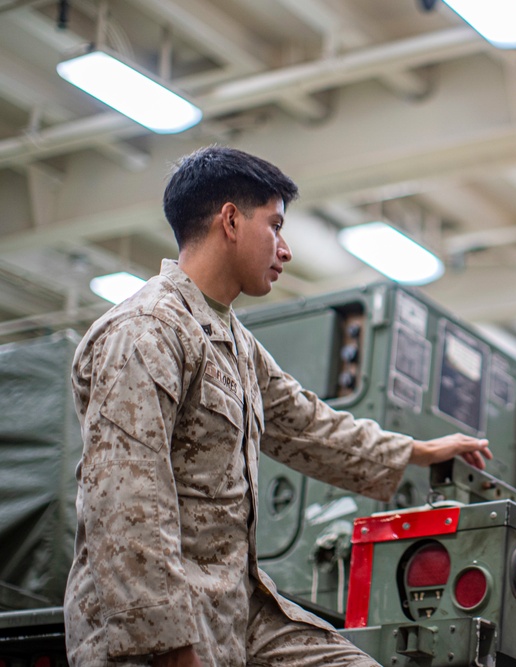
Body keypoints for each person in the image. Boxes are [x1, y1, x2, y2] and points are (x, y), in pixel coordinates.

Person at [65, 145, 492, 667]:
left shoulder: (232, 342)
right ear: (230, 220)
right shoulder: (145, 332)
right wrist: (170, 648)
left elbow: (307, 425)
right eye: (275, 225)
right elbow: (126, 504)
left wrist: (419, 451)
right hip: (148, 634)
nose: (285, 249)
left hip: (234, 614)